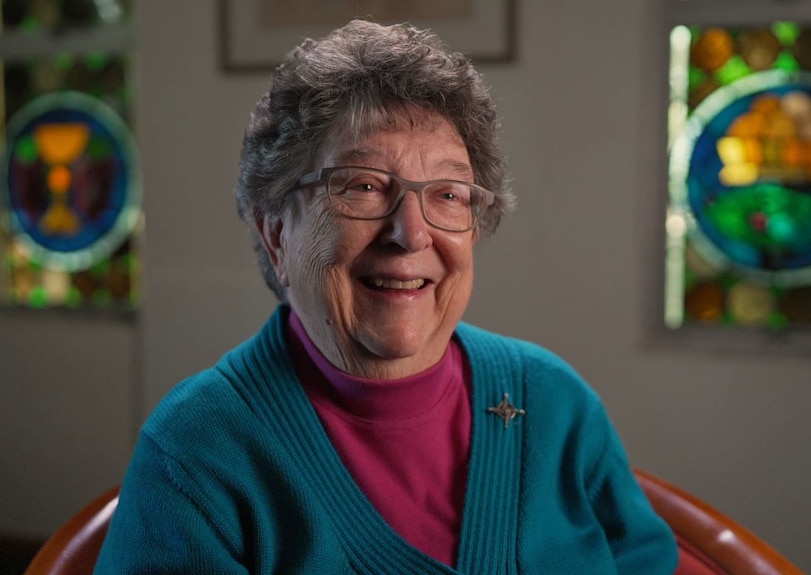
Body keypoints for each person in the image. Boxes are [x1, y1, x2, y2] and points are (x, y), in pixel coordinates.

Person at [95, 19, 678, 574]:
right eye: (365, 186)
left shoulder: (554, 404)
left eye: (448, 194)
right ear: (276, 233)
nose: (412, 234)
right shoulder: (196, 455)